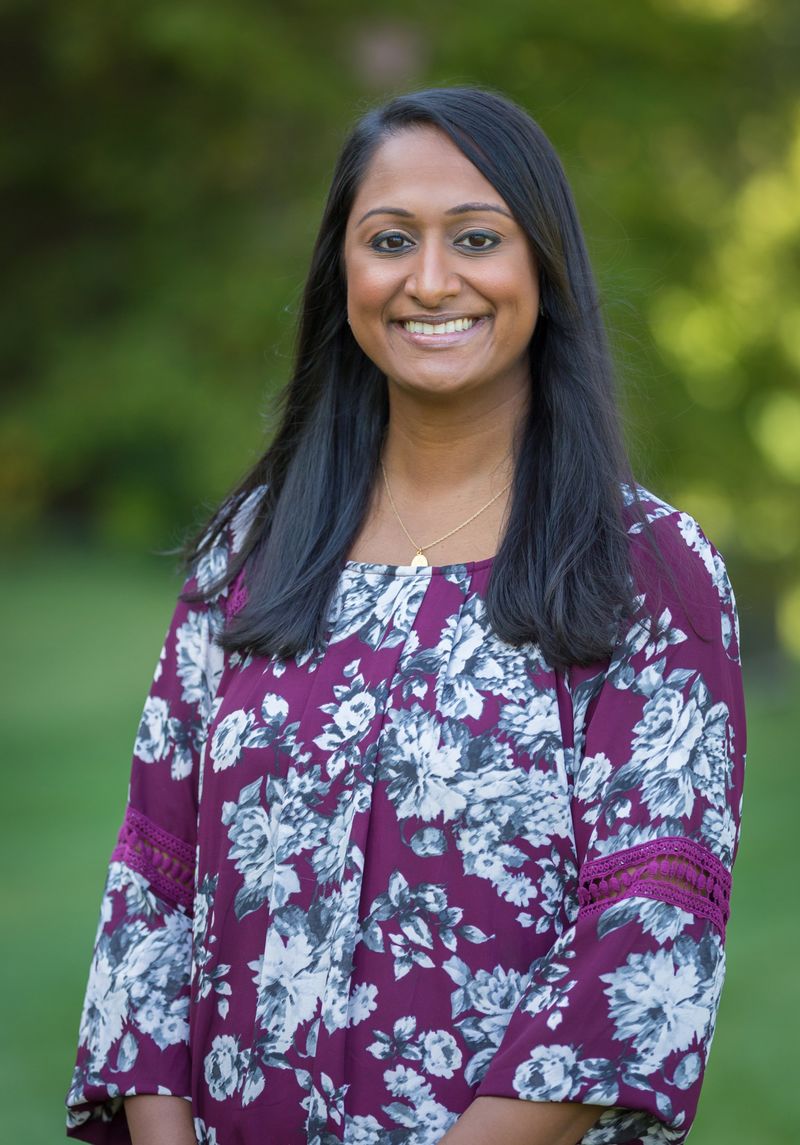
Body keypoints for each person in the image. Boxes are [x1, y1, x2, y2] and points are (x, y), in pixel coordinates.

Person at [65, 87, 746, 1145]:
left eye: (475, 238)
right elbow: (154, 880)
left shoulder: (642, 569)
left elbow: (644, 926)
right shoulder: (248, 553)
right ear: (343, 273)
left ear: (541, 269)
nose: (431, 281)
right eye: (389, 240)